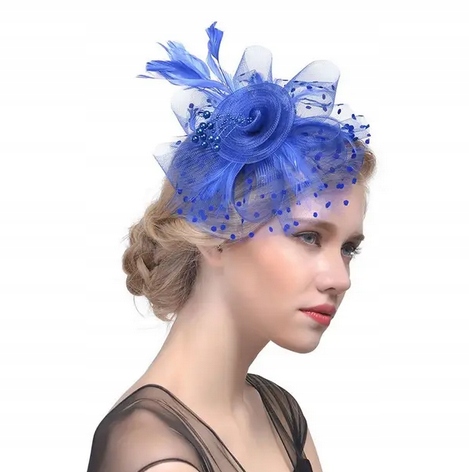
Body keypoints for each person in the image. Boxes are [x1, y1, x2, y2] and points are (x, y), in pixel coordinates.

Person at [86, 22, 376, 472]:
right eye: (308, 237)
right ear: (217, 235)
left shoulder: (278, 412)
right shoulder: (160, 457)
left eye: (348, 249)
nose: (340, 279)